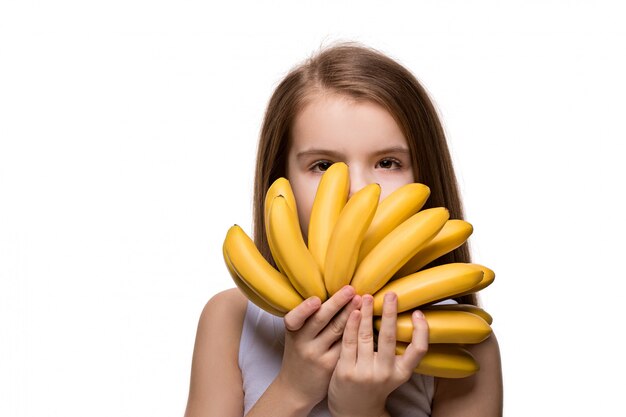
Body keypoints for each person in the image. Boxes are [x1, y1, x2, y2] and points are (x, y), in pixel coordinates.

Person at [184, 42, 503, 417]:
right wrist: (292, 388)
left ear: (426, 175)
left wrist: (361, 409)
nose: (356, 189)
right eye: (322, 166)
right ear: (279, 180)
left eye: (388, 162)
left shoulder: (460, 339)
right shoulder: (231, 320)